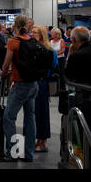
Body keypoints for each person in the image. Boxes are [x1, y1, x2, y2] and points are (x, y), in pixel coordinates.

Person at [0, 15, 39, 162]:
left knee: (9, 117)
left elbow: (6, 64)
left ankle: (12, 153)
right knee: (30, 117)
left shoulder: (13, 41)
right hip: (33, 84)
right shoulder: (33, 41)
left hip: (20, 84)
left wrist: (4, 71)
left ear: (15, 25)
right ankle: (28, 153)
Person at [31, 25, 58, 153]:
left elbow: (54, 66)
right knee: (32, 112)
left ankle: (43, 140)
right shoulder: (31, 48)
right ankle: (37, 139)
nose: (32, 34)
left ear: (41, 34)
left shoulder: (48, 50)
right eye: (31, 32)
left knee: (42, 111)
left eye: (35, 32)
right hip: (31, 83)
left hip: (41, 83)